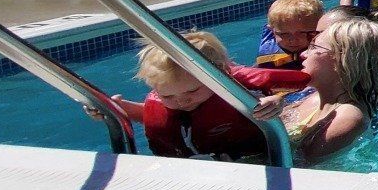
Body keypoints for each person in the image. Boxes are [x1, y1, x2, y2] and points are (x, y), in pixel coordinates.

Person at [109, 30, 310, 161]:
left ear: (220, 76)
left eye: (192, 91)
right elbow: (158, 117)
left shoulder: (239, 94)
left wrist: (276, 102)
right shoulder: (171, 97)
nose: (182, 101)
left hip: (253, 160)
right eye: (167, 96)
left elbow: (271, 103)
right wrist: (122, 110)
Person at [248, 16, 378, 166]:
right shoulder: (315, 98)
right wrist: (276, 103)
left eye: (314, 47)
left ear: (342, 60)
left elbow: (298, 167)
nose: (303, 54)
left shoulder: (347, 118)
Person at [255, 0, 323, 70]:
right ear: (272, 30)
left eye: (302, 33)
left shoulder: (324, 50)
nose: (293, 40)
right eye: (284, 34)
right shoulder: (268, 51)